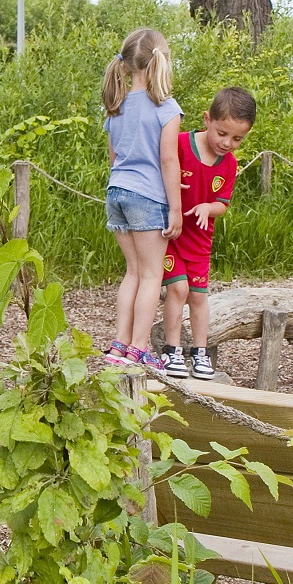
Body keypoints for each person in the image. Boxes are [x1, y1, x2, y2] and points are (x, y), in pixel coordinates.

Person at [161, 87, 256, 380]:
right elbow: (160, 170)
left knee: (199, 296)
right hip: (171, 237)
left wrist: (207, 208)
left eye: (238, 138)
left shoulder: (228, 164)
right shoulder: (178, 144)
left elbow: (222, 204)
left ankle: (200, 352)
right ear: (207, 120)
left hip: (200, 243)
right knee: (178, 290)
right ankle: (171, 350)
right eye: (222, 133)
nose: (228, 143)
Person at [100, 27, 182, 368]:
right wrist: (175, 208)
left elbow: (113, 157)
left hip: (116, 191)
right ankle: (139, 346)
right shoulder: (167, 108)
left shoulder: (115, 107)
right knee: (152, 275)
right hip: (147, 197)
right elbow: (168, 160)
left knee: (132, 272)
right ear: (159, 61)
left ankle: (120, 344)